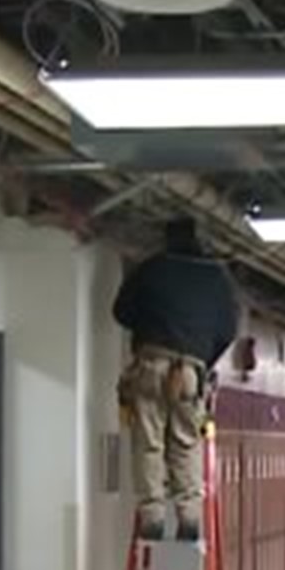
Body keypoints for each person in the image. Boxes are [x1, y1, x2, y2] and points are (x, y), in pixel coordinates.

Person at [113, 217, 239, 543]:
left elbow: (121, 312)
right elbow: (228, 330)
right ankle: (189, 517)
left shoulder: (151, 268)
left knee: (149, 442)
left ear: (166, 239)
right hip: (189, 373)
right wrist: (202, 361)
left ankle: (152, 518)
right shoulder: (217, 276)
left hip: (150, 364)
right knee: (185, 443)